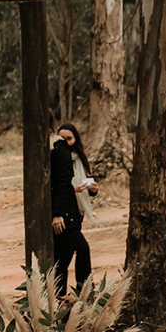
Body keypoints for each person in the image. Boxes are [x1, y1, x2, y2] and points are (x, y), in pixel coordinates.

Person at [50, 119, 98, 299]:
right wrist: (71, 191)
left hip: (77, 213)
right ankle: (84, 291)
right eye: (61, 138)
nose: (65, 142)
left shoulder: (80, 159)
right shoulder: (57, 156)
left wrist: (93, 189)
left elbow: (88, 183)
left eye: (68, 139)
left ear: (75, 140)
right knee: (81, 248)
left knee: (62, 260)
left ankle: (61, 296)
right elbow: (61, 185)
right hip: (64, 214)